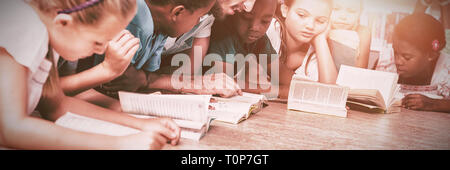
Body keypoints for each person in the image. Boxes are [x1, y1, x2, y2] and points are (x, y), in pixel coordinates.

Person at [0, 0, 181, 150]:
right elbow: (10, 130)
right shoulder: (26, 26)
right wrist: (120, 144)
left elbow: (57, 105)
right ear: (63, 23)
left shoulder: (50, 35)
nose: (102, 50)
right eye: (97, 42)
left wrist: (141, 124)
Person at [269, 0, 337, 99]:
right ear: (285, 10)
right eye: (302, 15)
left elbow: (331, 94)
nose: (310, 26)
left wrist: (320, 40)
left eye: (320, 21)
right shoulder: (271, 30)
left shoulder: (317, 50)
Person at [207, 0, 278, 94]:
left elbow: (287, 80)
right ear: (235, 9)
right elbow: (224, 83)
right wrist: (276, 90)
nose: (255, 27)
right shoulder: (223, 33)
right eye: (247, 17)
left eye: (265, 21)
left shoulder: (259, 39)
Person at [392, 13, 450, 113]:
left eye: (407, 57)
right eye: (395, 52)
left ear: (431, 55)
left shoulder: (445, 71)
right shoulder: (385, 63)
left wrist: (434, 104)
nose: (397, 61)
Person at [330, 0, 371, 69]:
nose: (343, 16)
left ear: (360, 13)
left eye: (351, 11)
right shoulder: (317, 28)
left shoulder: (363, 32)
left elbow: (358, 72)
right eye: (336, 9)